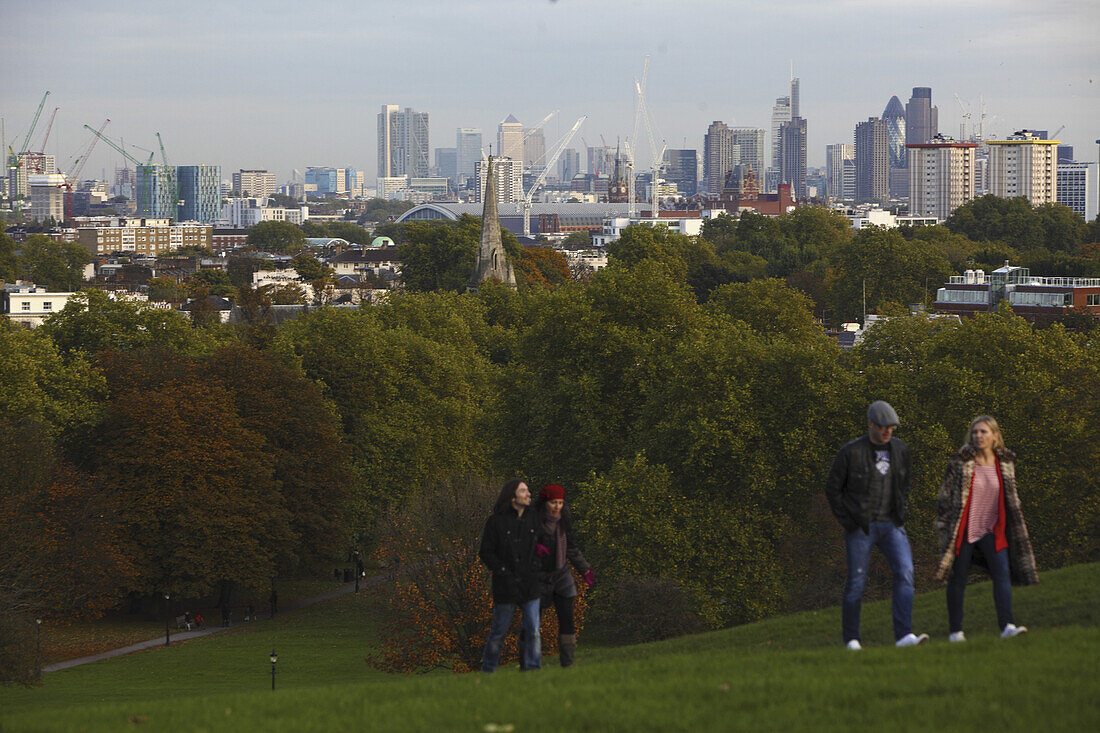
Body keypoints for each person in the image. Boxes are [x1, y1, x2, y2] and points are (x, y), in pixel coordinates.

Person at [825, 400, 929, 649]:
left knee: (905, 573)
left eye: (891, 428)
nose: (887, 432)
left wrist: (902, 512)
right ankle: (852, 640)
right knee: (856, 582)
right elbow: (832, 488)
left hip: (892, 524)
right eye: (883, 427)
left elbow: (904, 485)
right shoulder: (851, 452)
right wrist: (848, 522)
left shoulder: (901, 450)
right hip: (862, 527)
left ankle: (904, 636)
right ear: (870, 424)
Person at [934, 416, 1038, 641]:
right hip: (963, 531)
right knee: (958, 578)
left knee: (1002, 574)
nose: (978, 436)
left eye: (983, 432)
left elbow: (1011, 498)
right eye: (975, 432)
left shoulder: (1005, 463)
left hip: (992, 530)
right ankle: (955, 632)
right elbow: (944, 497)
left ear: (994, 436)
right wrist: (944, 526)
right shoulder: (960, 462)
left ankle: (1007, 626)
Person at [479, 478, 542, 672]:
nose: (528, 494)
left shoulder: (535, 518)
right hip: (506, 586)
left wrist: (538, 565)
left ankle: (532, 669)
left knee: (533, 629)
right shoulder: (496, 522)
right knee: (499, 631)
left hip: (530, 584)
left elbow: (544, 545)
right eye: (523, 491)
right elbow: (486, 552)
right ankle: (488, 670)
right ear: (512, 496)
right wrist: (502, 570)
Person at [532, 484, 594, 668]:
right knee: (532, 623)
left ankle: (568, 663)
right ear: (545, 503)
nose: (557, 506)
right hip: (538, 578)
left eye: (560, 502)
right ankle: (529, 662)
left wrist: (585, 570)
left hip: (561, 576)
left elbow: (572, 549)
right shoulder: (533, 522)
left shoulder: (564, 521)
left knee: (567, 619)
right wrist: (534, 549)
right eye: (553, 502)